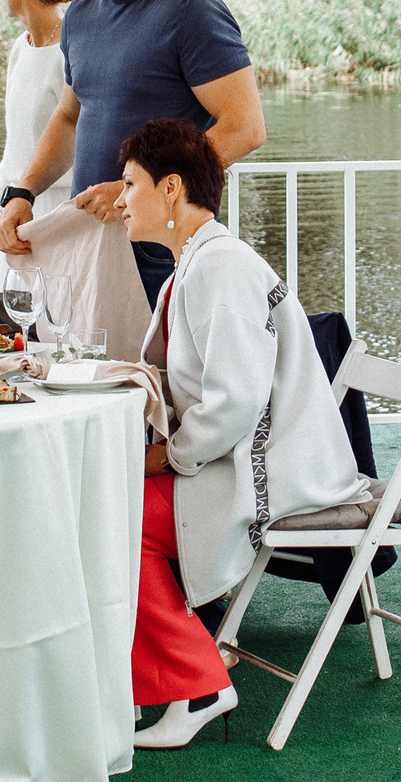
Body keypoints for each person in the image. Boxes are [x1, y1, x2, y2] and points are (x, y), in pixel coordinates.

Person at [117, 118, 367, 749]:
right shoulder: (197, 263)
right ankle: (177, 671)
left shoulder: (218, 269)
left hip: (269, 469)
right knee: (112, 505)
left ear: (170, 189)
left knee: (113, 514)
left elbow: (234, 403)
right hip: (242, 454)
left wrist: (165, 457)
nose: (119, 199)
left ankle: (197, 683)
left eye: (129, 184)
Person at [0, 0, 264, 306]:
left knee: (165, 375)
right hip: (94, 239)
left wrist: (137, 188)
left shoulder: (191, 8)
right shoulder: (79, 15)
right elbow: (68, 117)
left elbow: (245, 127)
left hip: (164, 248)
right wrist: (23, 192)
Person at [0, 0, 82, 227]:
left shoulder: (72, 48)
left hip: (59, 208)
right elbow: (16, 145)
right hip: (14, 201)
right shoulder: (20, 47)